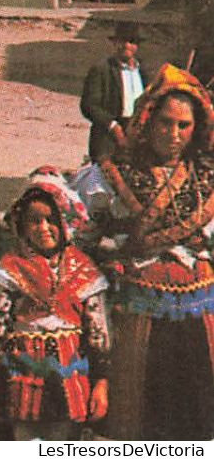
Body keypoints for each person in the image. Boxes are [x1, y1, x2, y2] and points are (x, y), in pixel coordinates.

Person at [72, 64, 214, 439]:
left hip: (202, 313)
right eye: (166, 123)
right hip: (135, 312)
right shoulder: (110, 176)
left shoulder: (207, 178)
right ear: (148, 121)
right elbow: (82, 243)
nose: (173, 134)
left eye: (184, 126)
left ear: (196, 128)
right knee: (137, 412)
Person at [0, 168, 109, 440]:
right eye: (35, 221)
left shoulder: (84, 272)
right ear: (21, 224)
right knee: (25, 438)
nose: (44, 228)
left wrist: (101, 382)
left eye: (51, 220)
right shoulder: (9, 271)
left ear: (66, 222)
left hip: (70, 375)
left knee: (65, 438)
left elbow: (98, 330)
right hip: (21, 374)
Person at [78, 23, 144, 164]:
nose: (126, 45)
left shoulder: (143, 72)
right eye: (122, 41)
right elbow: (89, 105)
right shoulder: (102, 70)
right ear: (115, 43)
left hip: (136, 135)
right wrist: (112, 125)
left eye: (131, 42)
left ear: (137, 46)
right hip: (107, 136)